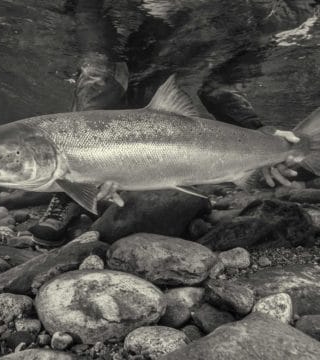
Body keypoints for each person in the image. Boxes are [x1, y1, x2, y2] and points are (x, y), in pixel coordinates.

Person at [29, 0, 300, 246]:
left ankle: (84, 178)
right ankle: (68, 190)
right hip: (116, 24)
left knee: (146, 78)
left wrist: (261, 136)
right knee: (97, 71)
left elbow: (221, 89)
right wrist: (87, 169)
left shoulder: (269, 15)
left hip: (167, 54)